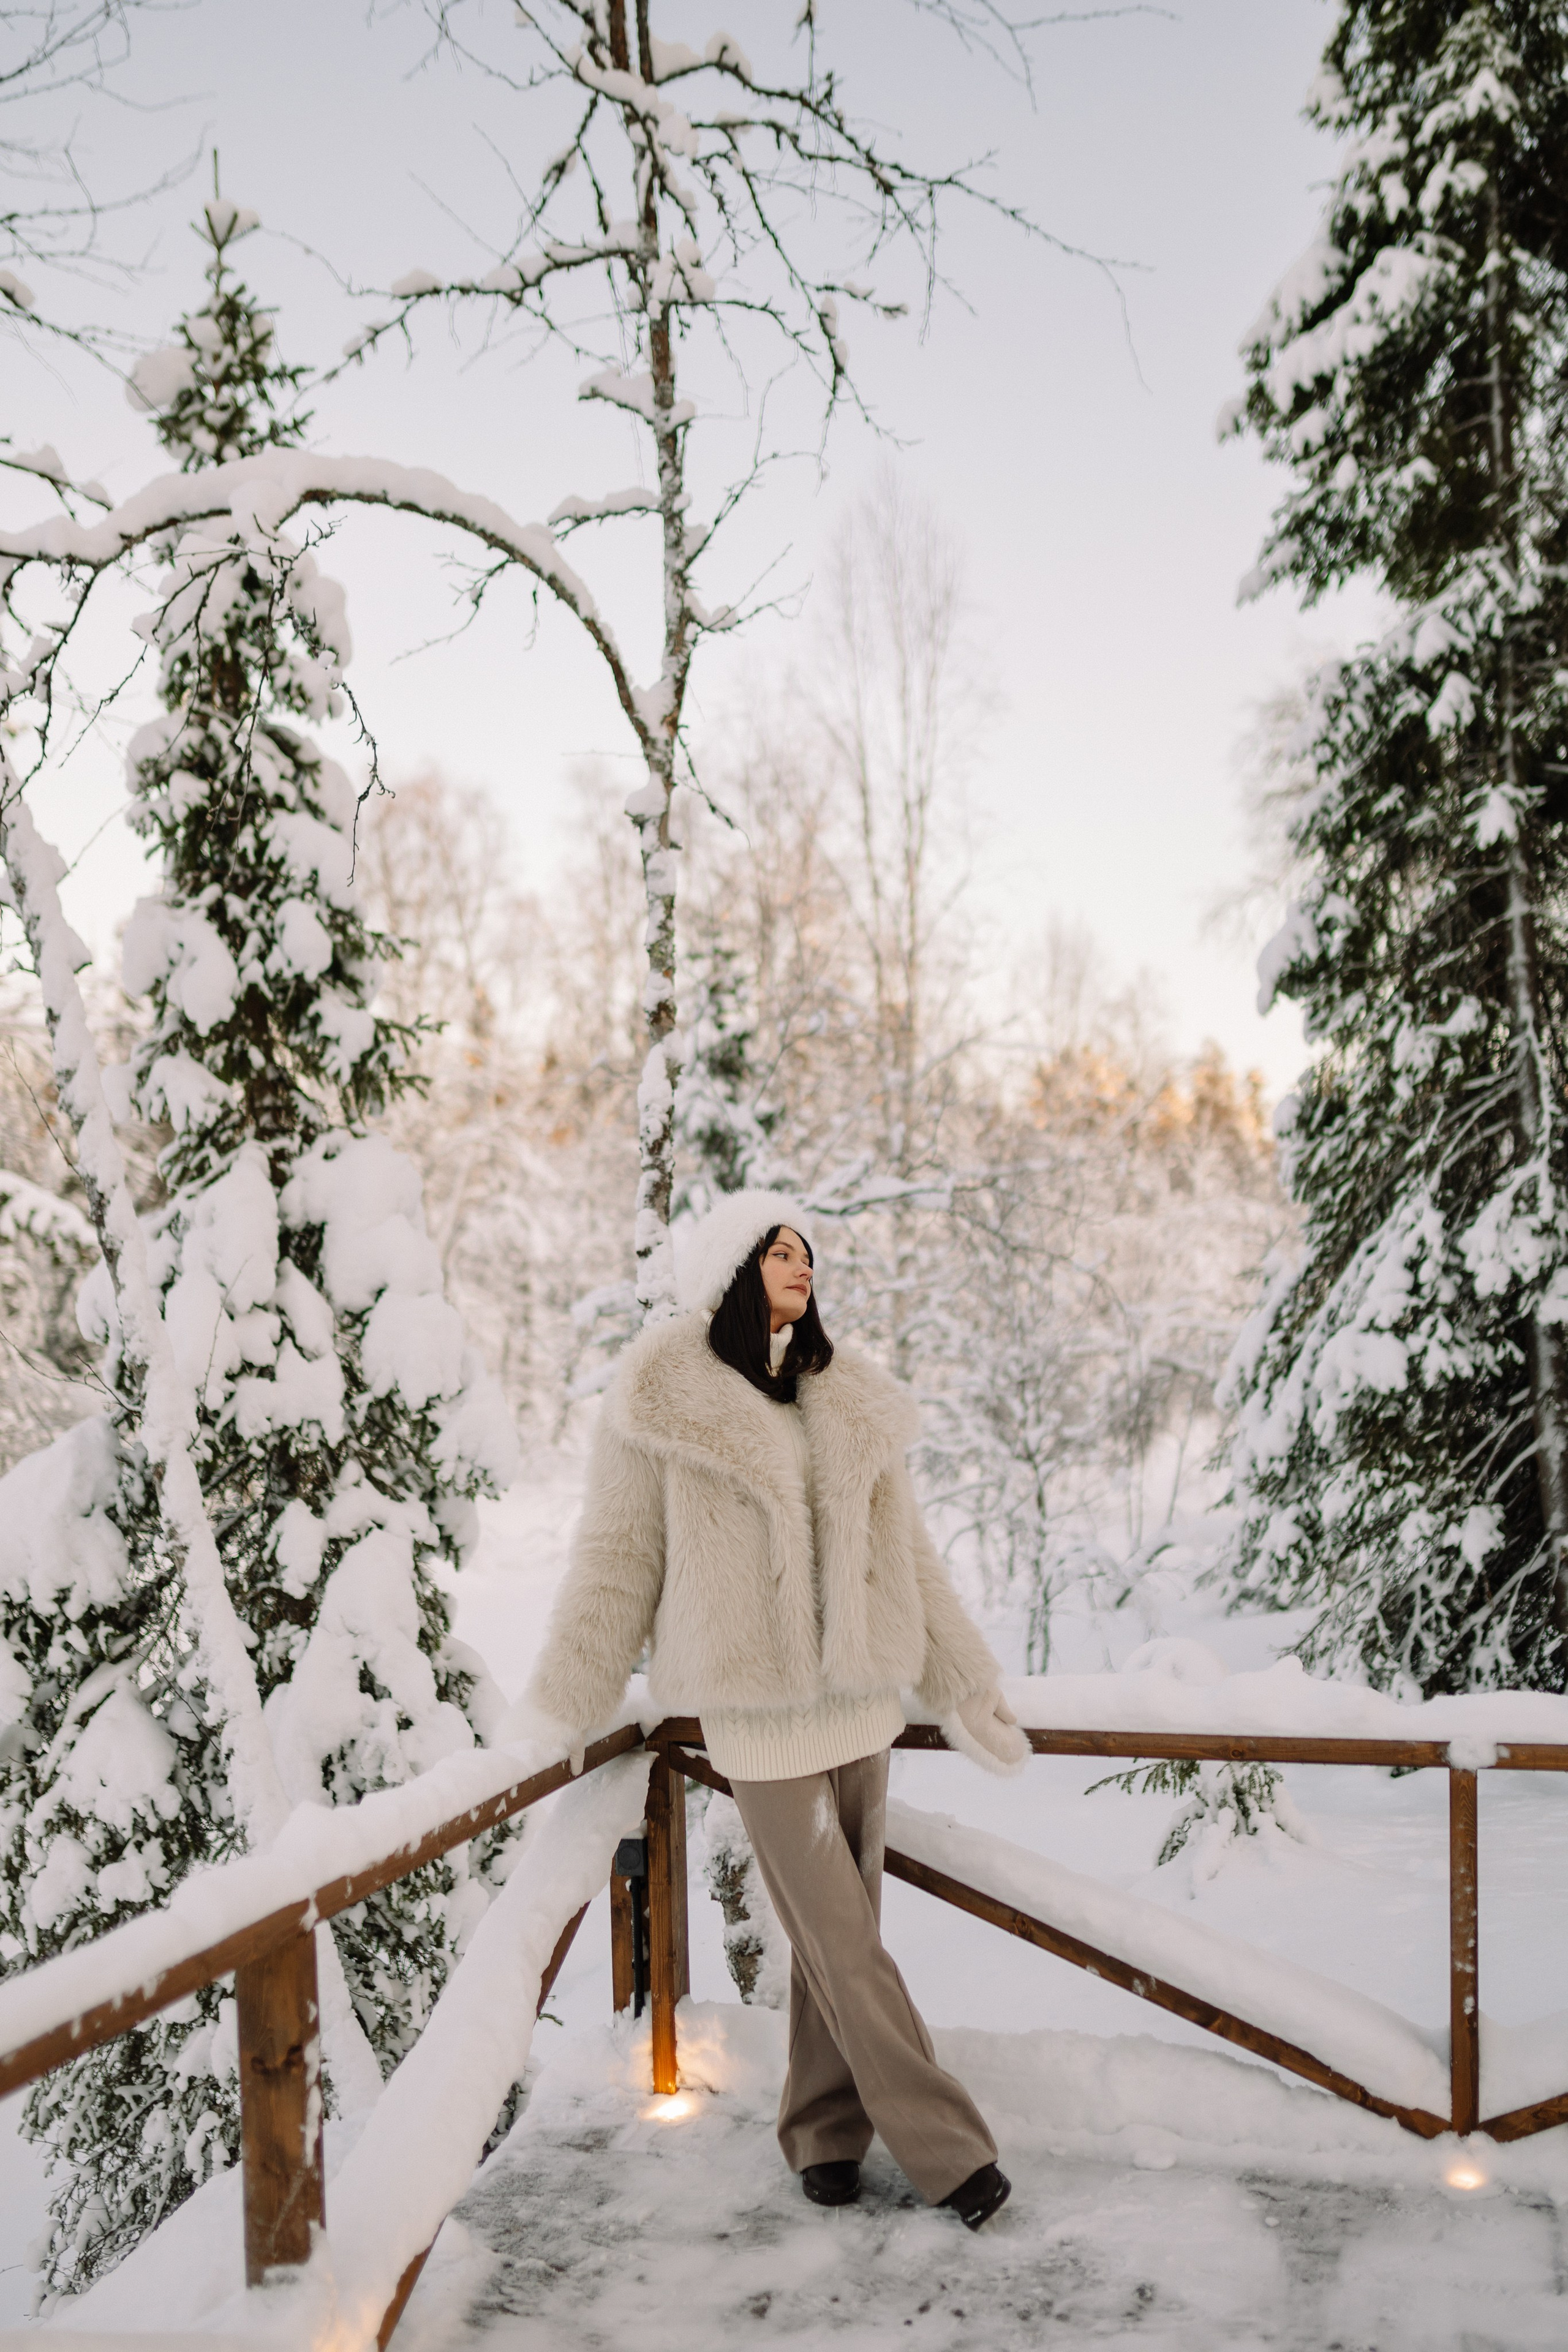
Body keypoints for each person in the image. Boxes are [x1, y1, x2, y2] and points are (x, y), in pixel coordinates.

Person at [526, 1188, 1030, 2228]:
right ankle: (952, 2153)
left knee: (834, 1947)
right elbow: (617, 1558)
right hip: (757, 1720)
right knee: (847, 1946)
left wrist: (966, 1685)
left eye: (808, 1252)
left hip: (862, 1708)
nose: (804, 1265)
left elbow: (913, 1563)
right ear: (731, 1269)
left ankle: (823, 2133)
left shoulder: (847, 1397)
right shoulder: (661, 1398)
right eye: (780, 1251)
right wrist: (565, 1700)